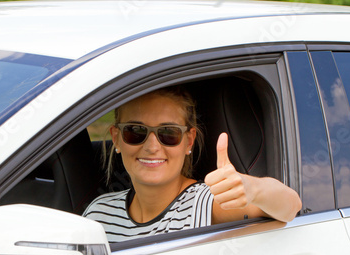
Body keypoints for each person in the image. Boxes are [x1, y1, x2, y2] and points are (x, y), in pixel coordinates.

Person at [83, 86, 302, 242]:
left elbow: (290, 207)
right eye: (136, 131)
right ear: (117, 138)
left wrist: (253, 188)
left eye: (168, 133)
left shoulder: (203, 202)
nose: (151, 146)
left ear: (188, 141)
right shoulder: (98, 214)